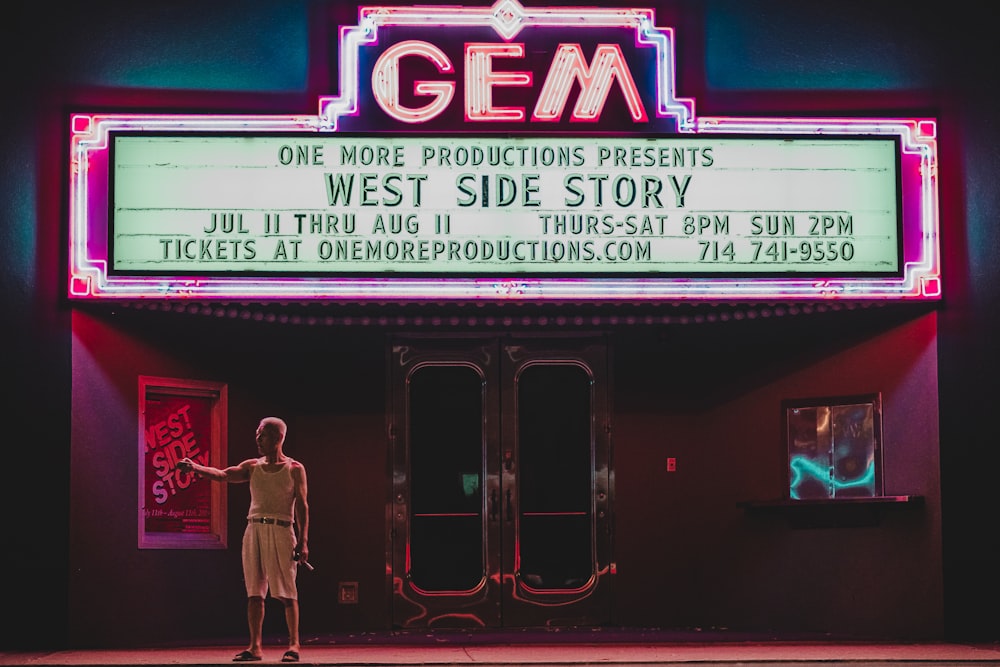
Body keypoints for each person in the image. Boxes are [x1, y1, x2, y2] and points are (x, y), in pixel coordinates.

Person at [178, 417, 309, 663]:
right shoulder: (253, 466)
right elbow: (223, 475)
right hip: (254, 530)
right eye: (257, 434)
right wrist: (195, 467)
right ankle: (255, 646)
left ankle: (294, 645)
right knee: (254, 592)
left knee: (287, 591)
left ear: (278, 438)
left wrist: (303, 541)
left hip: (281, 530)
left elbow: (302, 506)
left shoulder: (294, 469)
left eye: (264, 435)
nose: (258, 439)